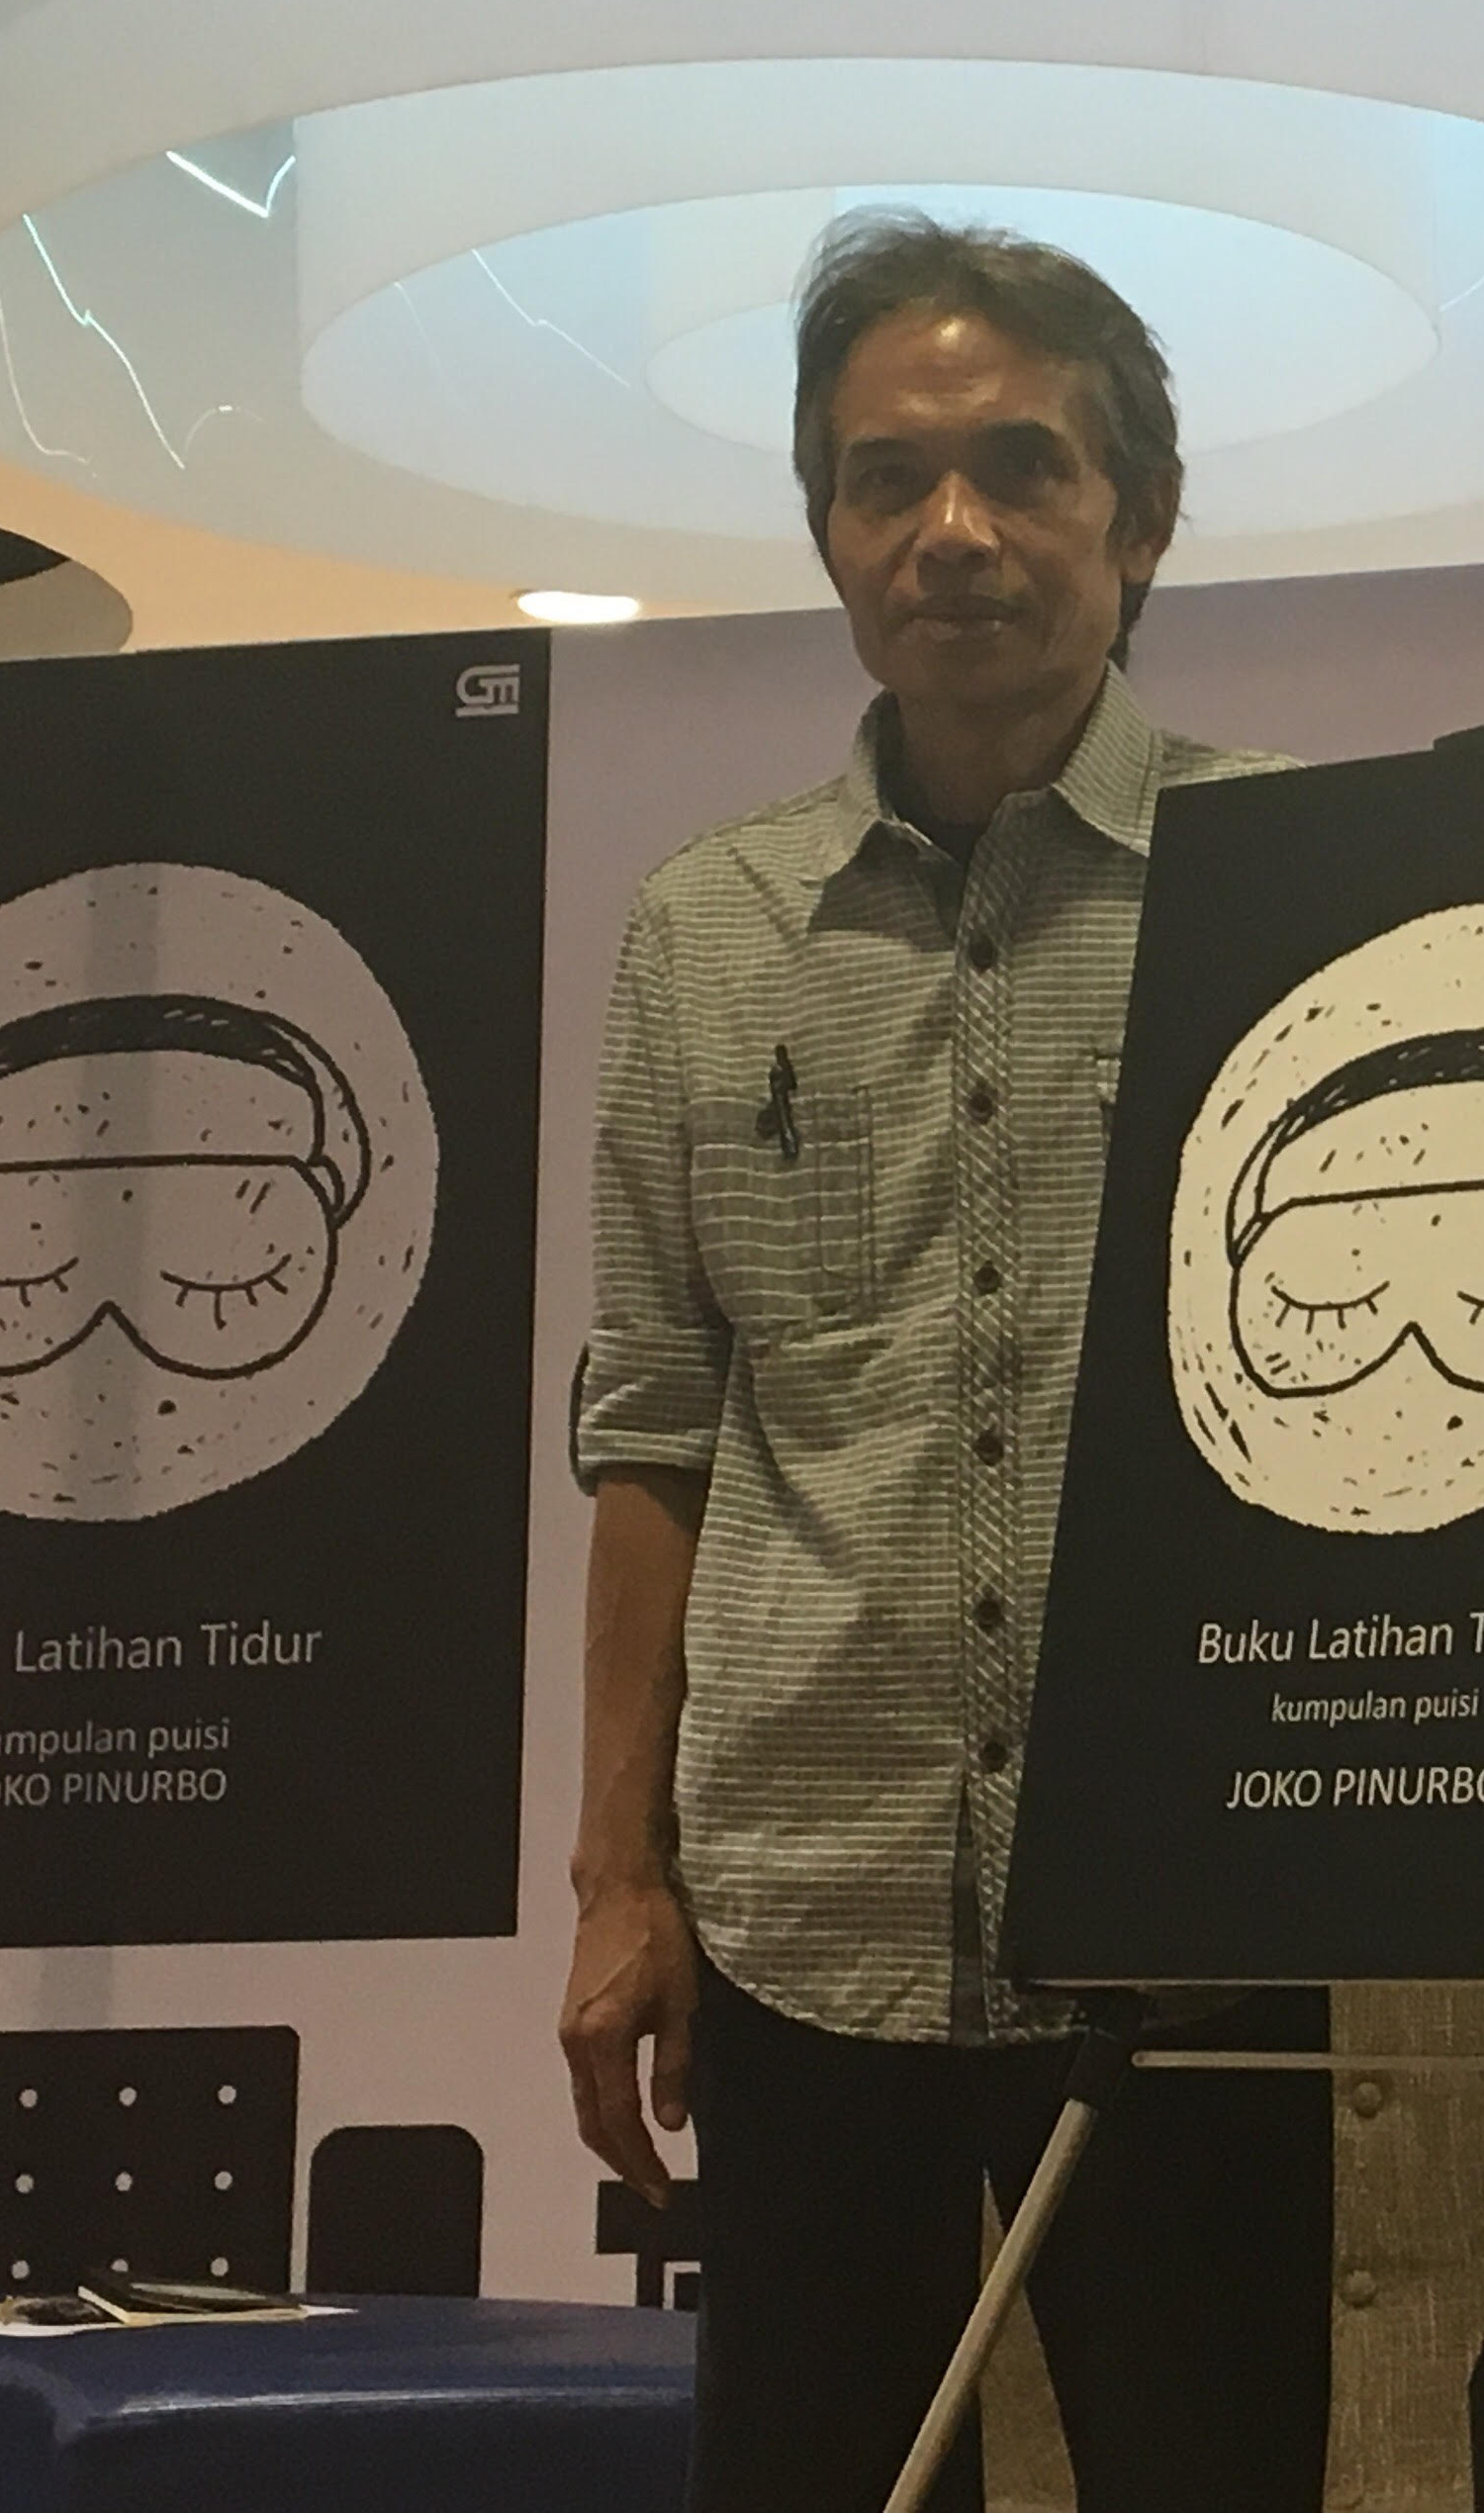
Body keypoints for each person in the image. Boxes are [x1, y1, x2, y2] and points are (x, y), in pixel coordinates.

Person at [560, 213, 1331, 2513]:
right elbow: (654, 1431)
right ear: (827, 531)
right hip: (805, 1911)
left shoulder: (1295, 876)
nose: (954, 531)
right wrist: (622, 1877)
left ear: (1143, 521)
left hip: (1193, 1909)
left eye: (1023, 466)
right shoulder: (707, 932)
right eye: (886, 480)